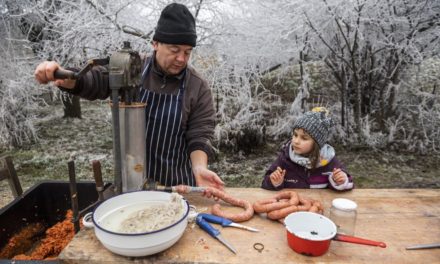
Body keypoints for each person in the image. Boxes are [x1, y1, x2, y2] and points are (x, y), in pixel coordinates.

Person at [34, 3, 224, 193]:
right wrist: (69, 78)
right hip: (131, 184)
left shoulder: (197, 86)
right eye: (175, 50)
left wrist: (199, 168)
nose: (181, 59)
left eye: (187, 52)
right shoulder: (133, 68)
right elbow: (98, 79)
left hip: (176, 187)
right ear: (155, 44)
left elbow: (200, 134)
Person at [261, 107, 353, 191]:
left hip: (319, 206)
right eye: (295, 135)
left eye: (304, 138)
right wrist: (274, 182)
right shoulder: (285, 158)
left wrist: (340, 181)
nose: (296, 141)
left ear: (317, 143)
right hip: (290, 206)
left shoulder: (329, 161)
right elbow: (265, 182)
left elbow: (348, 183)